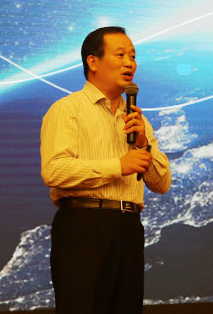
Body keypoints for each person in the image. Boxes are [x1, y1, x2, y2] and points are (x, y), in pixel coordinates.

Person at [40, 26, 171, 313]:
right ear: (93, 62)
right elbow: (54, 170)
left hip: (129, 228)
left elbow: (162, 184)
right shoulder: (67, 109)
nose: (129, 63)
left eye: (133, 57)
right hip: (83, 226)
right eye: (120, 55)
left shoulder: (136, 119)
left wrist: (143, 144)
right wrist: (118, 166)